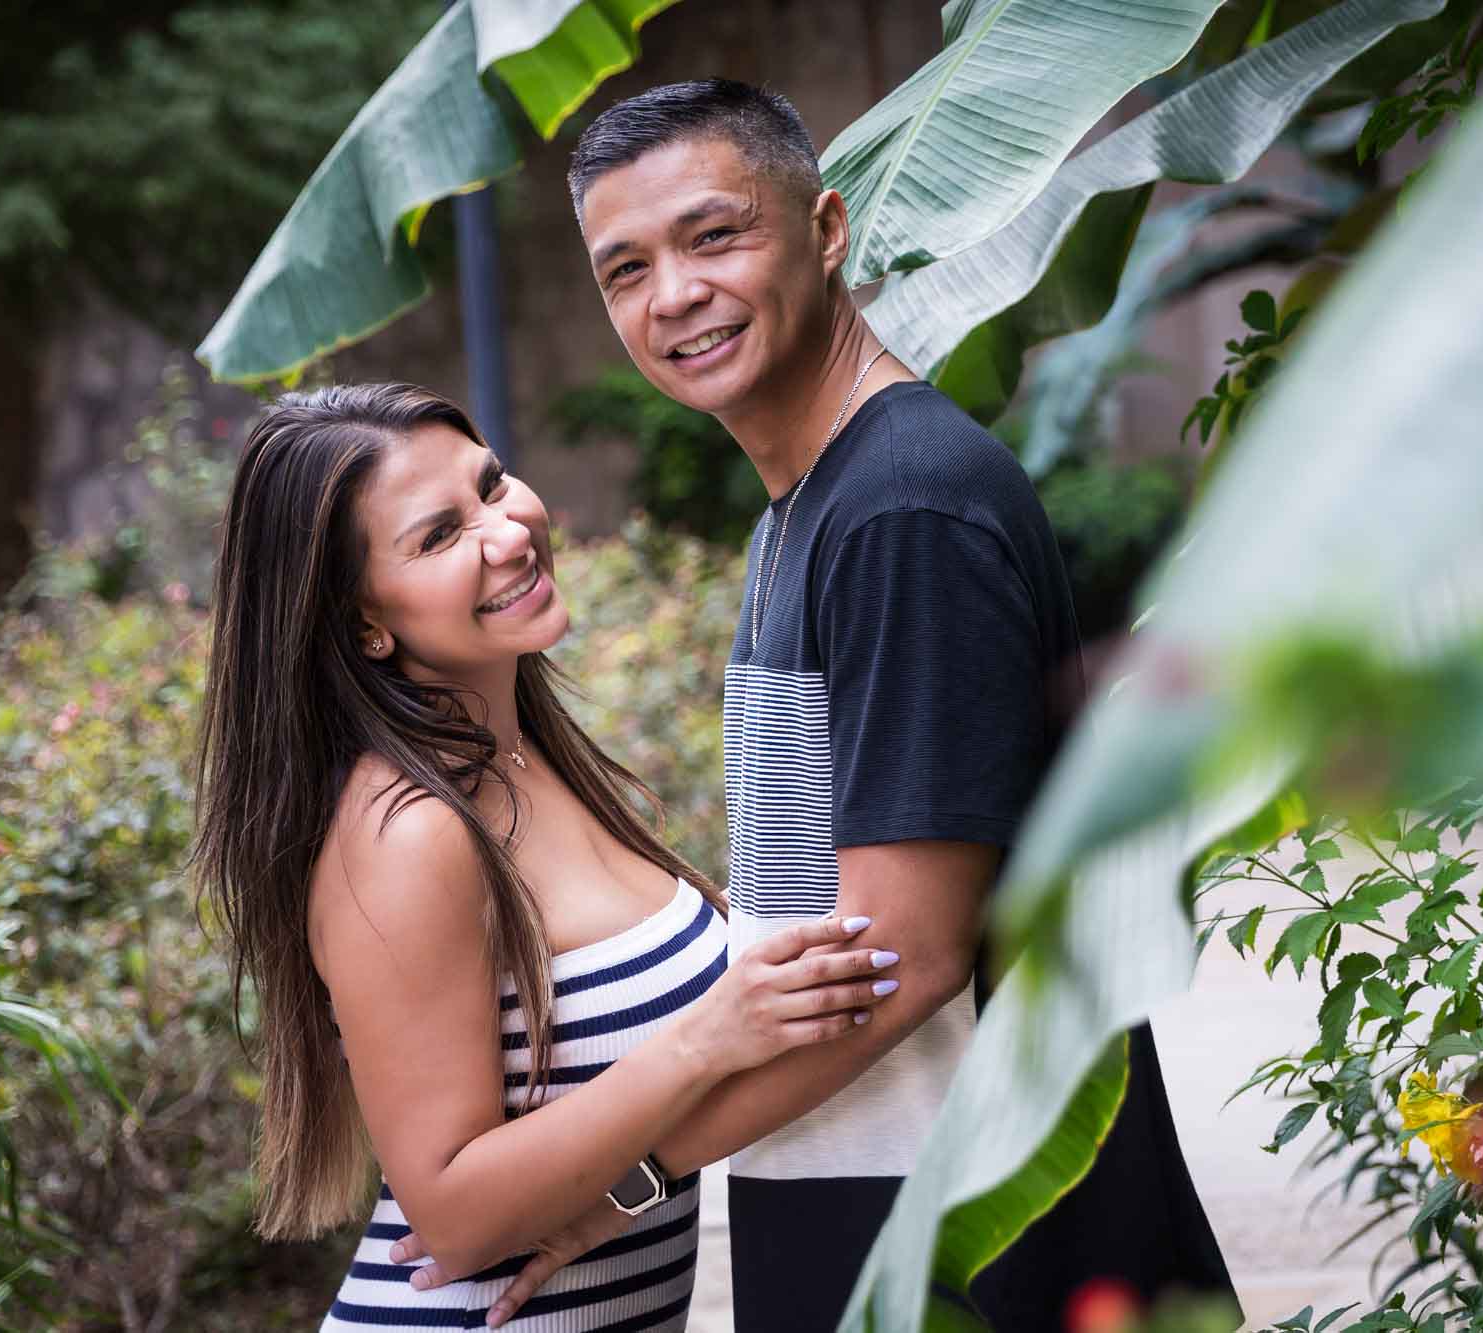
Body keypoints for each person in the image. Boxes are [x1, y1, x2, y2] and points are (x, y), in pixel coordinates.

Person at [392, 80, 1240, 1330]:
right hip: (871, 1182)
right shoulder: (808, 508)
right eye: (623, 269)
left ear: (827, 230)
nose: (670, 295)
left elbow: (906, 954)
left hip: (977, 1220)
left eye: (712, 235)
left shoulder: (900, 508)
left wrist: (622, 1181)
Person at [189, 382, 906, 1332]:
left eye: (492, 484)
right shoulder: (408, 831)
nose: (508, 531)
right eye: (438, 536)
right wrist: (705, 1039)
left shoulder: (529, 754)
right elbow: (452, 1214)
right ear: (361, 620)